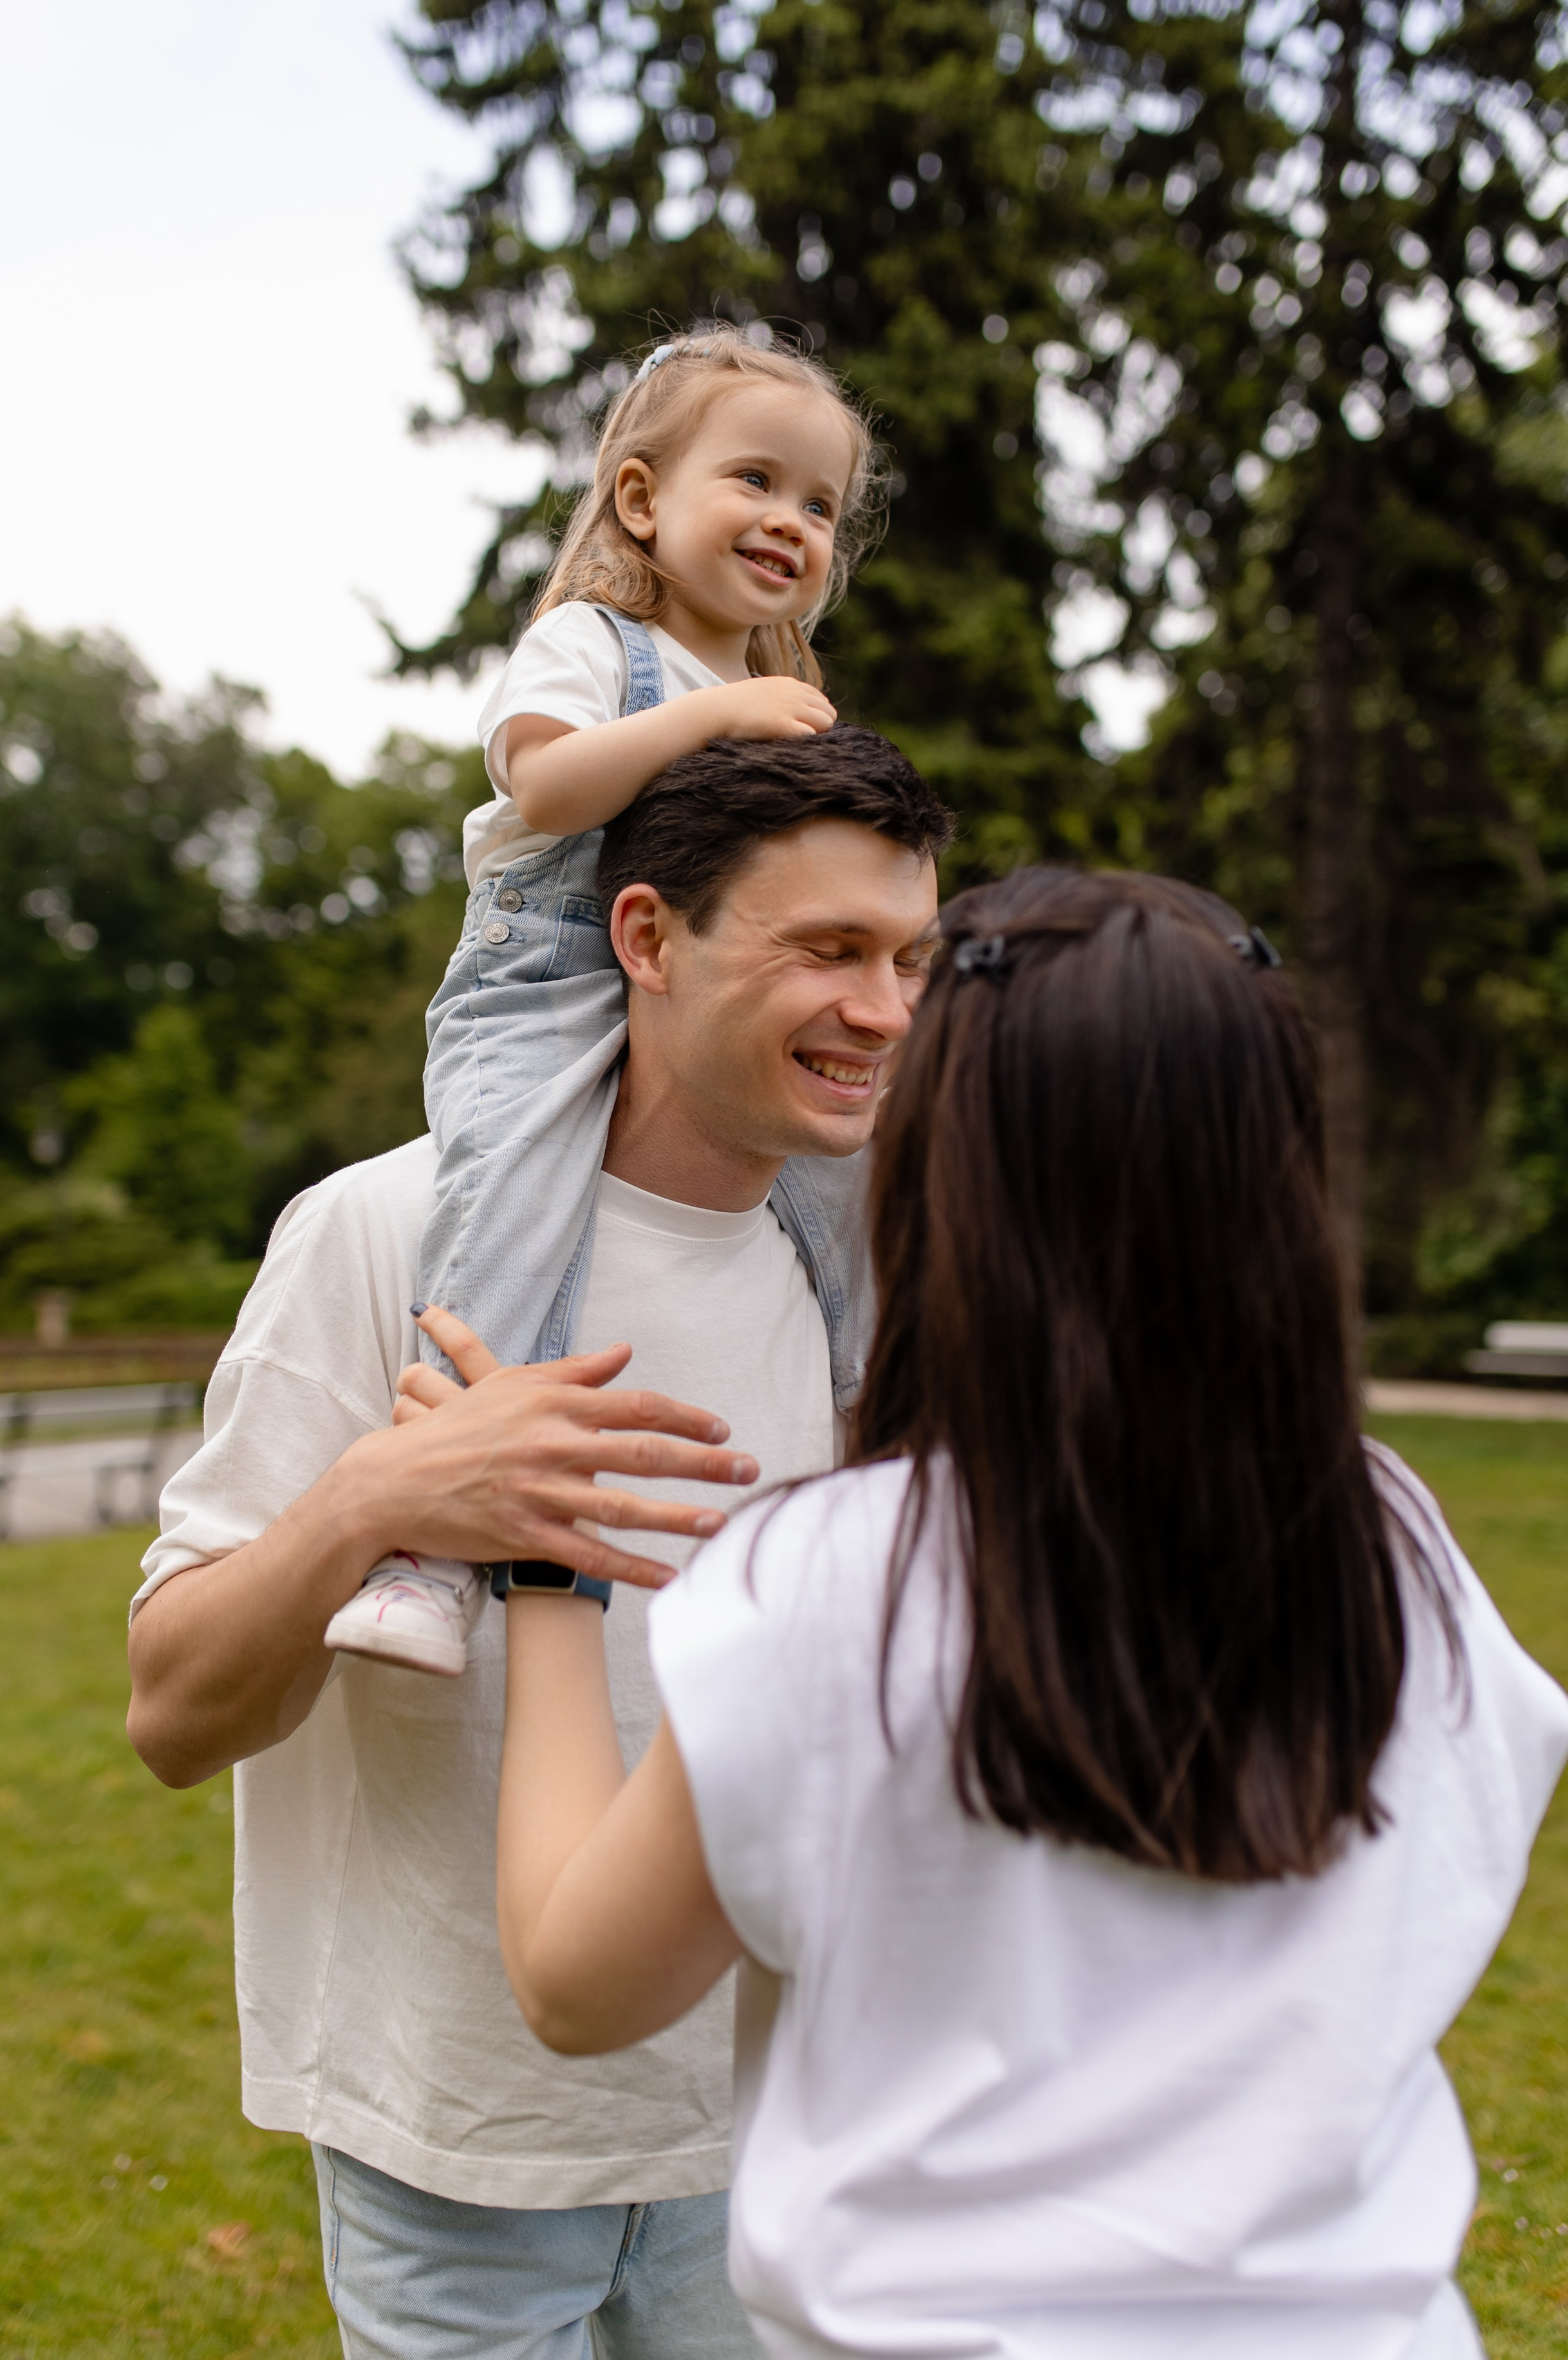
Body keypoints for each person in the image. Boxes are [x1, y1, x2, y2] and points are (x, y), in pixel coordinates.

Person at [490, 866, 1568, 2360]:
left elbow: (574, 1984)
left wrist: (544, 1558)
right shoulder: (1393, 1547)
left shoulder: (840, 1584)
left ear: (947, 1175)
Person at [126, 725, 950, 2360]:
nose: (883, 1011)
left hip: (775, 2123)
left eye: (908, 958)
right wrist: (377, 1500)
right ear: (645, 937)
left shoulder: (879, 1277)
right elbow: (171, 1716)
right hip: (462, 2152)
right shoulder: (383, 1233)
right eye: (827, 950)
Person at [327, 324, 888, 1674]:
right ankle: (429, 1551)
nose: (791, 521)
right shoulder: (595, 644)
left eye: (819, 505)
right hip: (544, 980)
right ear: (640, 498)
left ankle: (881, 1453)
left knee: (854, 1181)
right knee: (512, 1206)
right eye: (754, 480)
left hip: (693, 1004)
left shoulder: (776, 691)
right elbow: (545, 785)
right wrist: (711, 722)